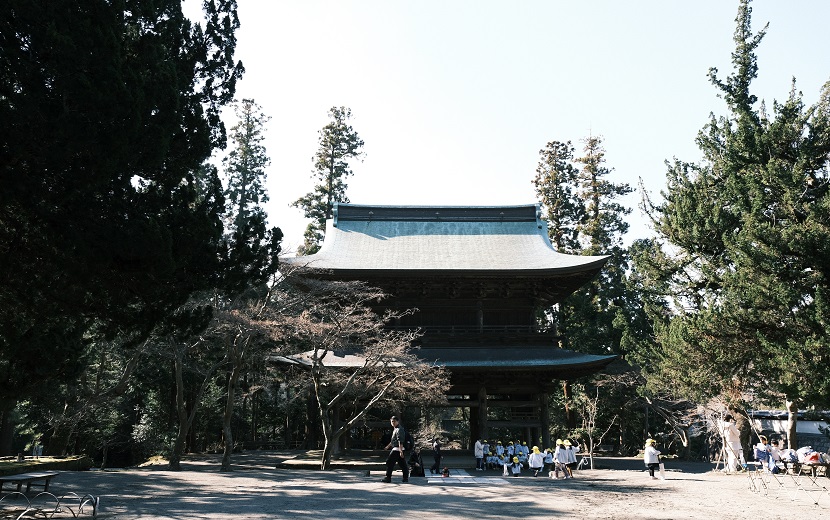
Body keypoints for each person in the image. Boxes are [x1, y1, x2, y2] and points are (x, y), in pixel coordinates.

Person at [381, 416, 409, 483]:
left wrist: (401, 451)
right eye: (392, 421)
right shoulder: (396, 429)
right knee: (402, 464)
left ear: (398, 421)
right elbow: (393, 440)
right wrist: (388, 446)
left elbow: (400, 440)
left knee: (389, 462)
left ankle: (388, 477)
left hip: (397, 449)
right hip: (397, 448)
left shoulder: (399, 429)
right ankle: (405, 477)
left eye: (394, 421)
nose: (393, 423)